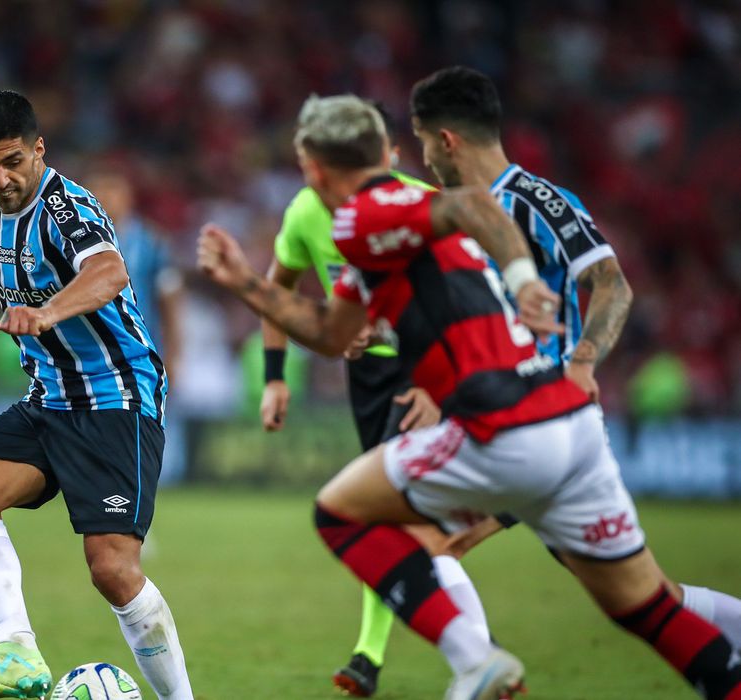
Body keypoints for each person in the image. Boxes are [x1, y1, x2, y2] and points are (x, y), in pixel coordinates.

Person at [197, 94, 741, 699]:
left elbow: (474, 205)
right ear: (384, 152)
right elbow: (331, 333)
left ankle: (473, 659)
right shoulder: (383, 223)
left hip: (501, 427)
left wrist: (524, 279)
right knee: (647, 607)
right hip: (570, 422)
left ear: (314, 169)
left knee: (341, 513)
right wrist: (244, 282)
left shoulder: (367, 215)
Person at [410, 65, 741, 650]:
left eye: (421, 141)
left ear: (447, 139)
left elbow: (612, 283)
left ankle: (481, 674)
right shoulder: (451, 214)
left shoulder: (535, 200)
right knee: (645, 599)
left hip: (545, 422)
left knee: (428, 542)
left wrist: (583, 361)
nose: (424, 158)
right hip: (507, 423)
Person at [0, 90, 193, 700]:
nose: (0, 179)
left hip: (115, 397)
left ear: (38, 149)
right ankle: (17, 652)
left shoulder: (67, 207)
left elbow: (109, 271)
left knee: (112, 570)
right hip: (50, 398)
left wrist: (48, 313)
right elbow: (2, 270)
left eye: (12, 162)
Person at [259, 102, 496, 697]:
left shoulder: (421, 204)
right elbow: (277, 290)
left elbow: (466, 294)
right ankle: (477, 659)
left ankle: (380, 654)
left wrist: (438, 384)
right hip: (366, 376)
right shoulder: (307, 213)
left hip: (425, 370)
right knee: (401, 521)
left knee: (387, 517)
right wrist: (275, 376)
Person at [83, 170, 183, 380]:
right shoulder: (74, 240)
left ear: (128, 197)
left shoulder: (151, 242)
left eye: (112, 190)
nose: (105, 197)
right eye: (98, 190)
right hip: (90, 352)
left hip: (140, 350)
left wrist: (173, 354)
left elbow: (169, 299)